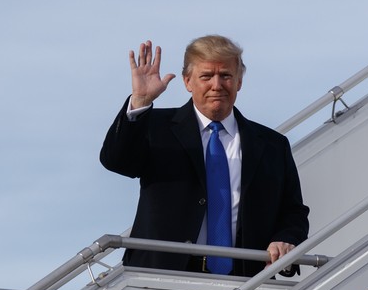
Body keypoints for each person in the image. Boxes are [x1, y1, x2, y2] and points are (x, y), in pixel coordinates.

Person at [100, 35, 309, 277]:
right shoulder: (156, 128)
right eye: (206, 76)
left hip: (246, 280)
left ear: (239, 82)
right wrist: (140, 101)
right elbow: (116, 161)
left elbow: (293, 212)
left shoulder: (272, 145)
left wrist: (284, 239)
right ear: (188, 81)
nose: (217, 85)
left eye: (226, 76)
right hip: (162, 276)